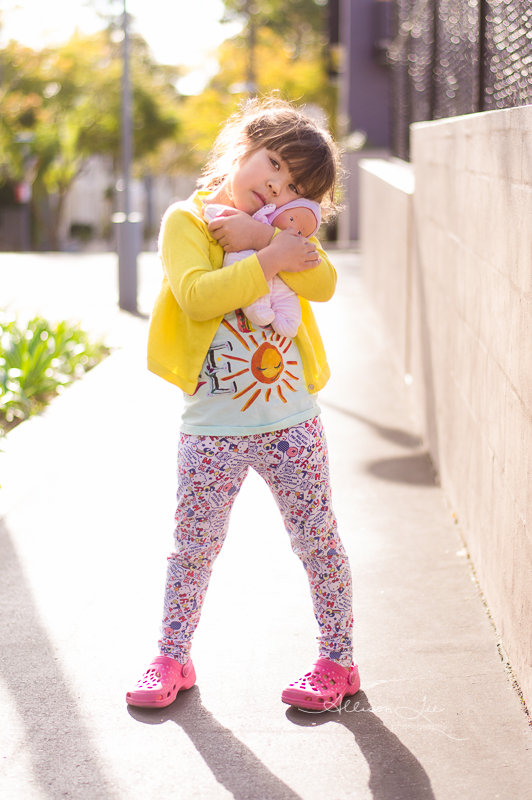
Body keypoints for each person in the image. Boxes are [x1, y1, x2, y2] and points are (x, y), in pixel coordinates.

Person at [126, 98, 360, 713]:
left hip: (291, 423)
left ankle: (337, 661)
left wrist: (269, 240)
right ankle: (172, 657)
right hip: (213, 427)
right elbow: (199, 296)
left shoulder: (286, 231)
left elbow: (325, 283)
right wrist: (270, 258)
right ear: (246, 144)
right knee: (193, 546)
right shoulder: (189, 221)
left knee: (317, 539)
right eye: (273, 165)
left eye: (292, 186)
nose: (274, 186)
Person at [203, 198, 322, 338]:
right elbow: (198, 301)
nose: (293, 230)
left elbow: (324, 286)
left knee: (286, 298)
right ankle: (258, 307)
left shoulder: (300, 242)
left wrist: (268, 237)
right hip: (217, 352)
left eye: (301, 233)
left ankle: (287, 320)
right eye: (291, 219)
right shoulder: (249, 219)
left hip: (284, 356)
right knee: (259, 298)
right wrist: (274, 246)